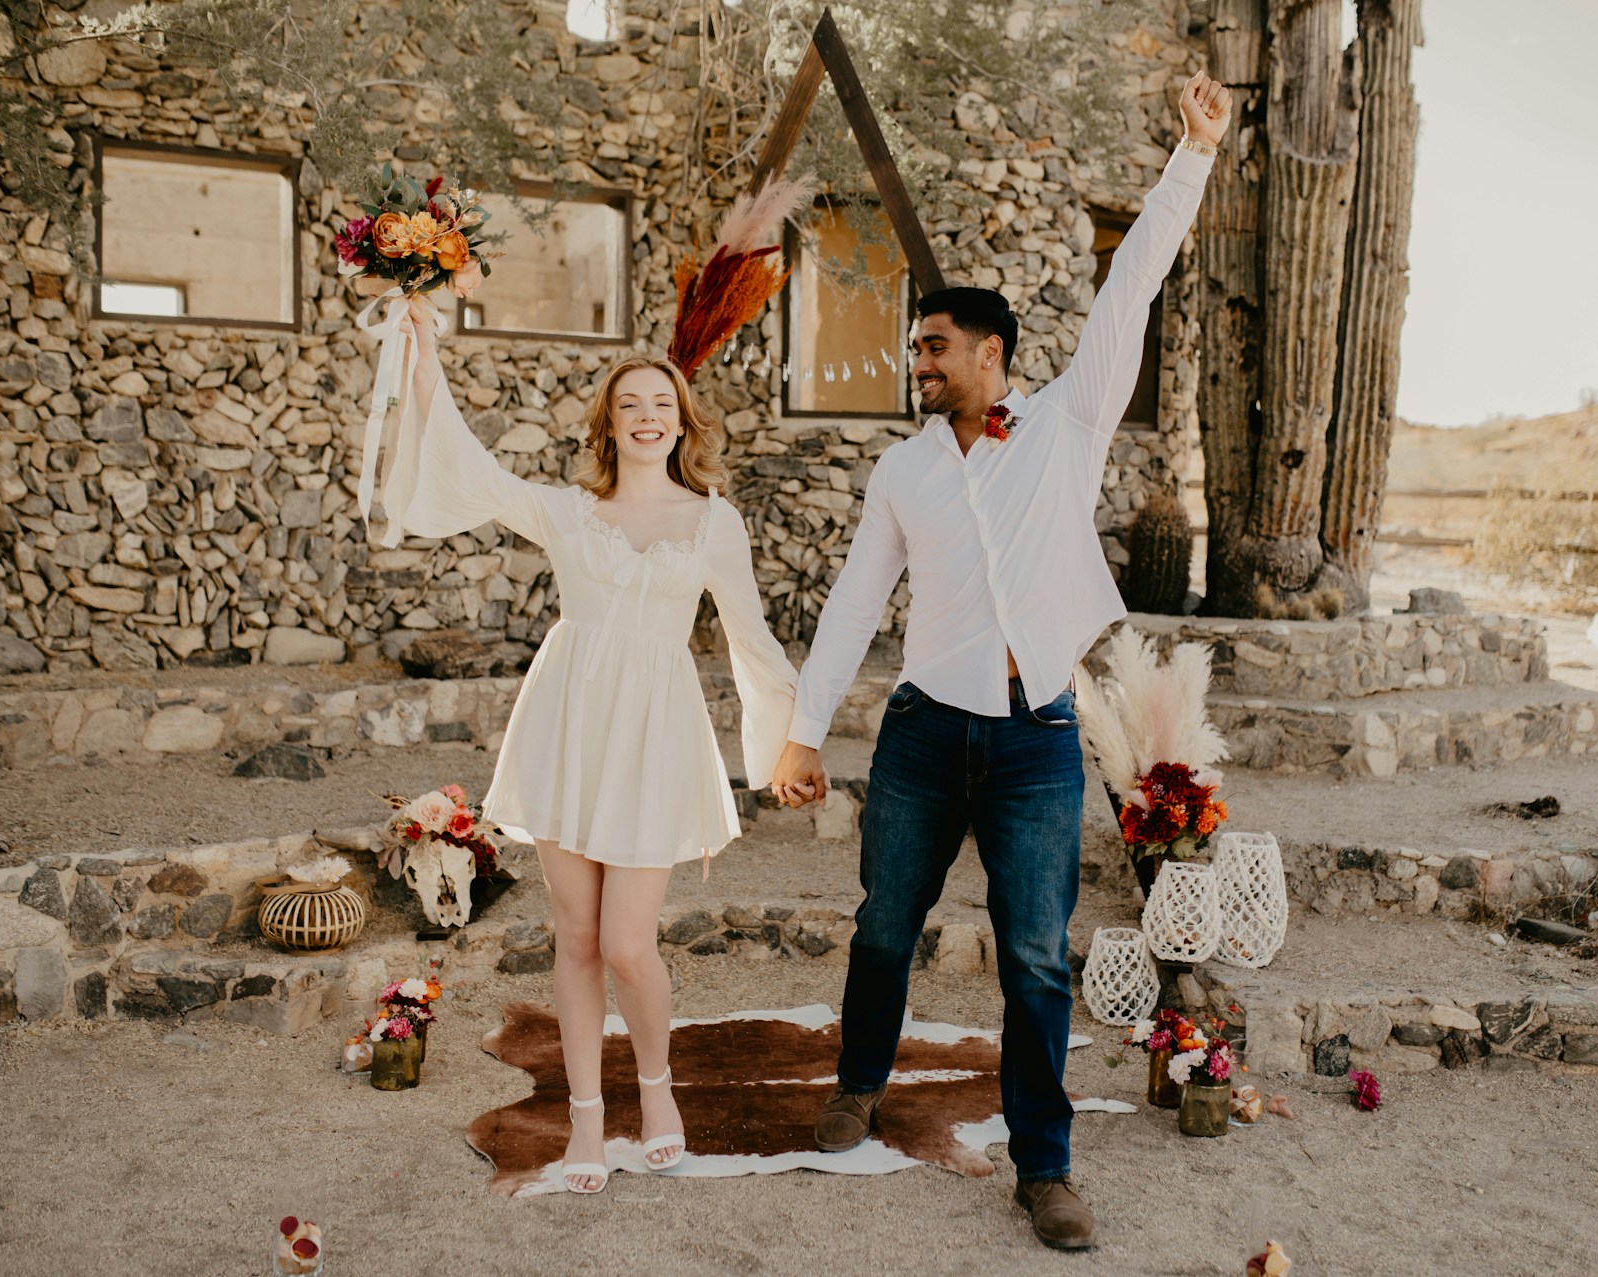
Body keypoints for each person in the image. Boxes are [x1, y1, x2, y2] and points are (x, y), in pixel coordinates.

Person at [770, 69, 1232, 1249]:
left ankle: (1046, 1168)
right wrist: (804, 726)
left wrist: (1194, 154)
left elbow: (1132, 285)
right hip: (925, 733)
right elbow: (853, 602)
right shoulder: (906, 469)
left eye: (933, 347)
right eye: (916, 347)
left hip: (1034, 744)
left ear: (991, 351)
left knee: (1034, 955)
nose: (917, 363)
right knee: (885, 923)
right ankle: (858, 1082)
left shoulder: (1070, 428)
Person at [375, 303, 799, 1195]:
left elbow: (750, 639)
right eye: (630, 404)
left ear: (683, 422)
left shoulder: (716, 522)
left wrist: (788, 744)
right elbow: (473, 472)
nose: (648, 416)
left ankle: (659, 1092)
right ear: (610, 422)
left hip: (654, 732)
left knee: (629, 943)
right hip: (569, 722)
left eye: (663, 404)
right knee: (573, 935)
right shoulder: (569, 512)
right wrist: (422, 355)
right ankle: (586, 1121)